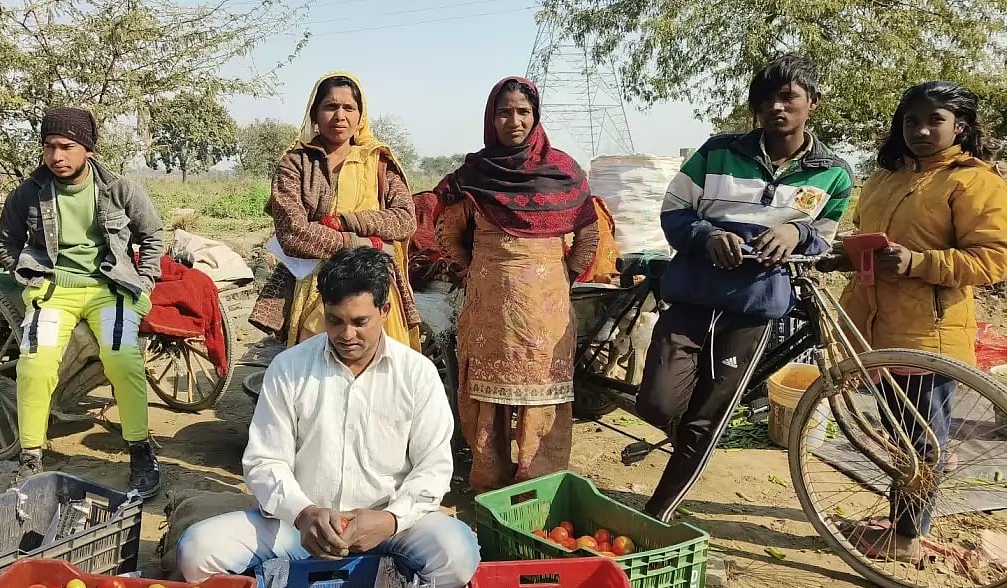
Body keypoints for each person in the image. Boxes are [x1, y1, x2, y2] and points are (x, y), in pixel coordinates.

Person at [177, 247, 479, 588]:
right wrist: (304, 514)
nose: (347, 334)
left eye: (360, 321)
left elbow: (433, 467)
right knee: (197, 551)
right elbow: (264, 461)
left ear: (385, 311)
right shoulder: (289, 368)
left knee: (457, 553)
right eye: (335, 321)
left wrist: (389, 520)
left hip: (388, 527)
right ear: (324, 310)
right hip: (302, 529)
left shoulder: (417, 375)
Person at [635, 54, 853, 522]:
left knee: (707, 421)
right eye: (766, 99)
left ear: (812, 102)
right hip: (693, 296)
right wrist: (707, 236)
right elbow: (674, 211)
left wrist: (796, 233)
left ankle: (658, 514)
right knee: (656, 403)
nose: (777, 107)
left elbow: (822, 239)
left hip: (753, 309)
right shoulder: (718, 152)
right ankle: (683, 434)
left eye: (789, 97)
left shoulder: (834, 173)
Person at [819, 81, 1007, 561]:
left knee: (920, 441)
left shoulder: (974, 182)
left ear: (959, 126)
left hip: (928, 332)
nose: (921, 130)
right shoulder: (887, 178)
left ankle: (905, 539)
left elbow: (994, 259)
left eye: (934, 120)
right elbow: (871, 242)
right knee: (899, 433)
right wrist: (843, 255)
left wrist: (918, 263)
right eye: (911, 121)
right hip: (874, 325)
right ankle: (900, 522)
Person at [433, 76, 600, 494]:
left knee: (541, 394)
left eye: (523, 112)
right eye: (504, 112)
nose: (514, 121)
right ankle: (490, 488)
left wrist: (562, 276)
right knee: (488, 398)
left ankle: (536, 490)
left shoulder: (563, 172)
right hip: (489, 309)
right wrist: (475, 270)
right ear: (491, 118)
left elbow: (588, 234)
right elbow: (447, 232)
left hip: (546, 310)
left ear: (535, 116)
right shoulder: (475, 175)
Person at [0, 107, 164, 497]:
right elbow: (5, 241)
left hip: (109, 288)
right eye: (49, 146)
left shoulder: (120, 189)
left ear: (87, 148)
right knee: (34, 364)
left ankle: (140, 451)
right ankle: (30, 456)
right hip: (54, 291)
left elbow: (153, 235)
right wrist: (26, 275)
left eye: (66, 147)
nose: (56, 156)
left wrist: (145, 283)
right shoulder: (28, 194)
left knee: (123, 358)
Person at [249, 71, 421, 351]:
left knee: (381, 366)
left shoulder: (379, 162)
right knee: (317, 363)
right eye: (330, 106)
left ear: (360, 115)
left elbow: (404, 220)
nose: (340, 116)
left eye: (349, 108)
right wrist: (358, 244)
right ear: (315, 113)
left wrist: (345, 221)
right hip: (317, 285)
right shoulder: (296, 164)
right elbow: (293, 233)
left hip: (375, 282)